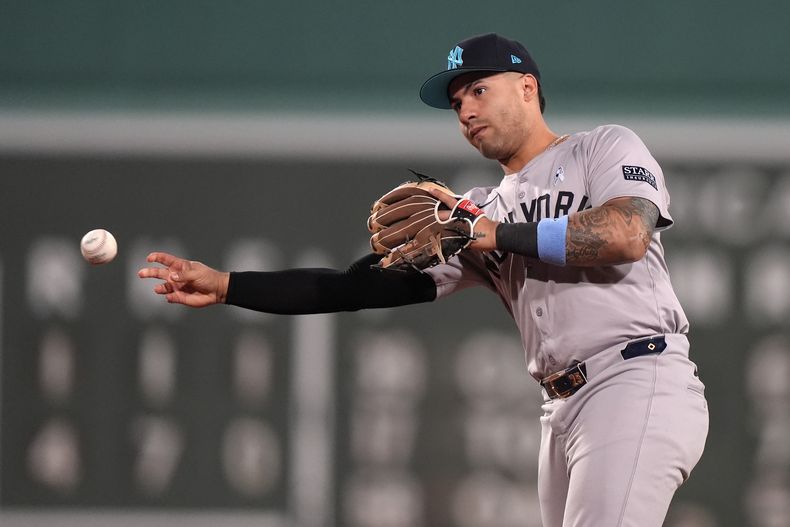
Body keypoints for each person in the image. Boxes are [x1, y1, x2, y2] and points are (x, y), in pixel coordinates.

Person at [139, 33, 708, 527]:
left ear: (527, 88)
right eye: (456, 102)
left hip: (637, 377)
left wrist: (493, 234)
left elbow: (627, 233)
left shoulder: (601, 148)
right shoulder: (477, 215)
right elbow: (350, 287)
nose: (464, 110)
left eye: (478, 90)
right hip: (562, 410)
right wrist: (229, 285)